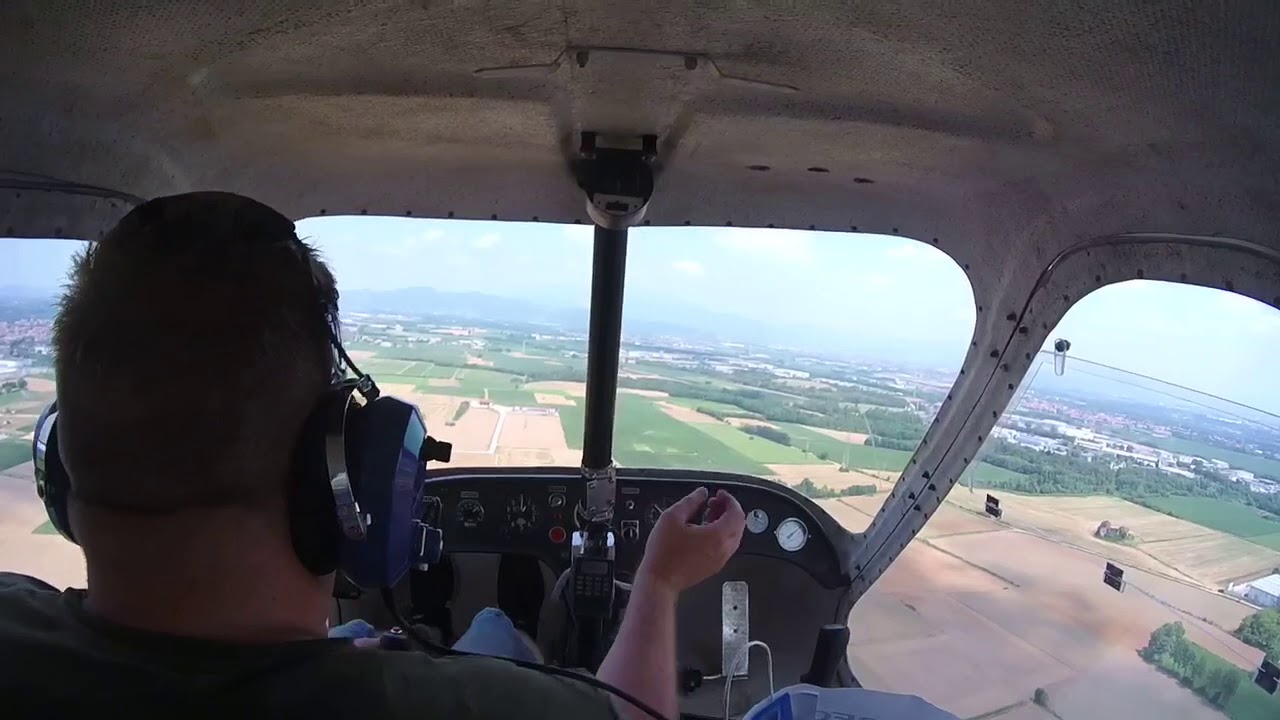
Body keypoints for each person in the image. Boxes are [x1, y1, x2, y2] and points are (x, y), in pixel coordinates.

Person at [0, 192, 747, 719]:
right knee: (491, 633)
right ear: (344, 475)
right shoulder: (445, 706)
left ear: (63, 463)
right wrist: (660, 581)